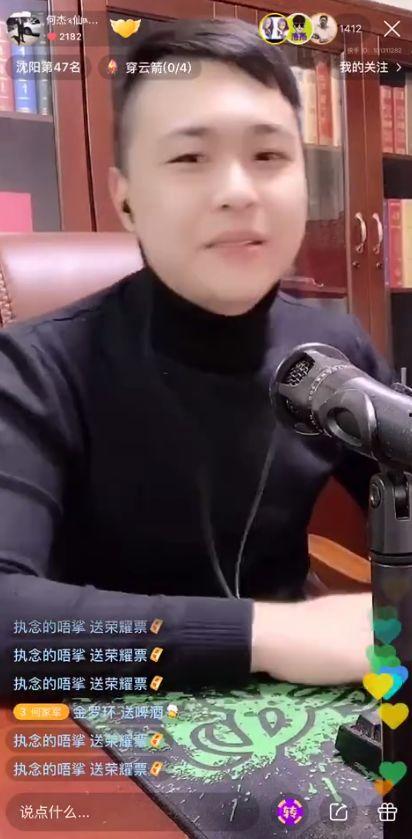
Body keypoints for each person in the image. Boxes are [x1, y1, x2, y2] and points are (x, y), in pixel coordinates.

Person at [0, 18, 396, 702]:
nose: (239, 191)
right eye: (189, 158)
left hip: (306, 710)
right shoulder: (35, 370)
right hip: (96, 714)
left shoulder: (331, 353)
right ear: (125, 199)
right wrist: (269, 634)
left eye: (269, 155)